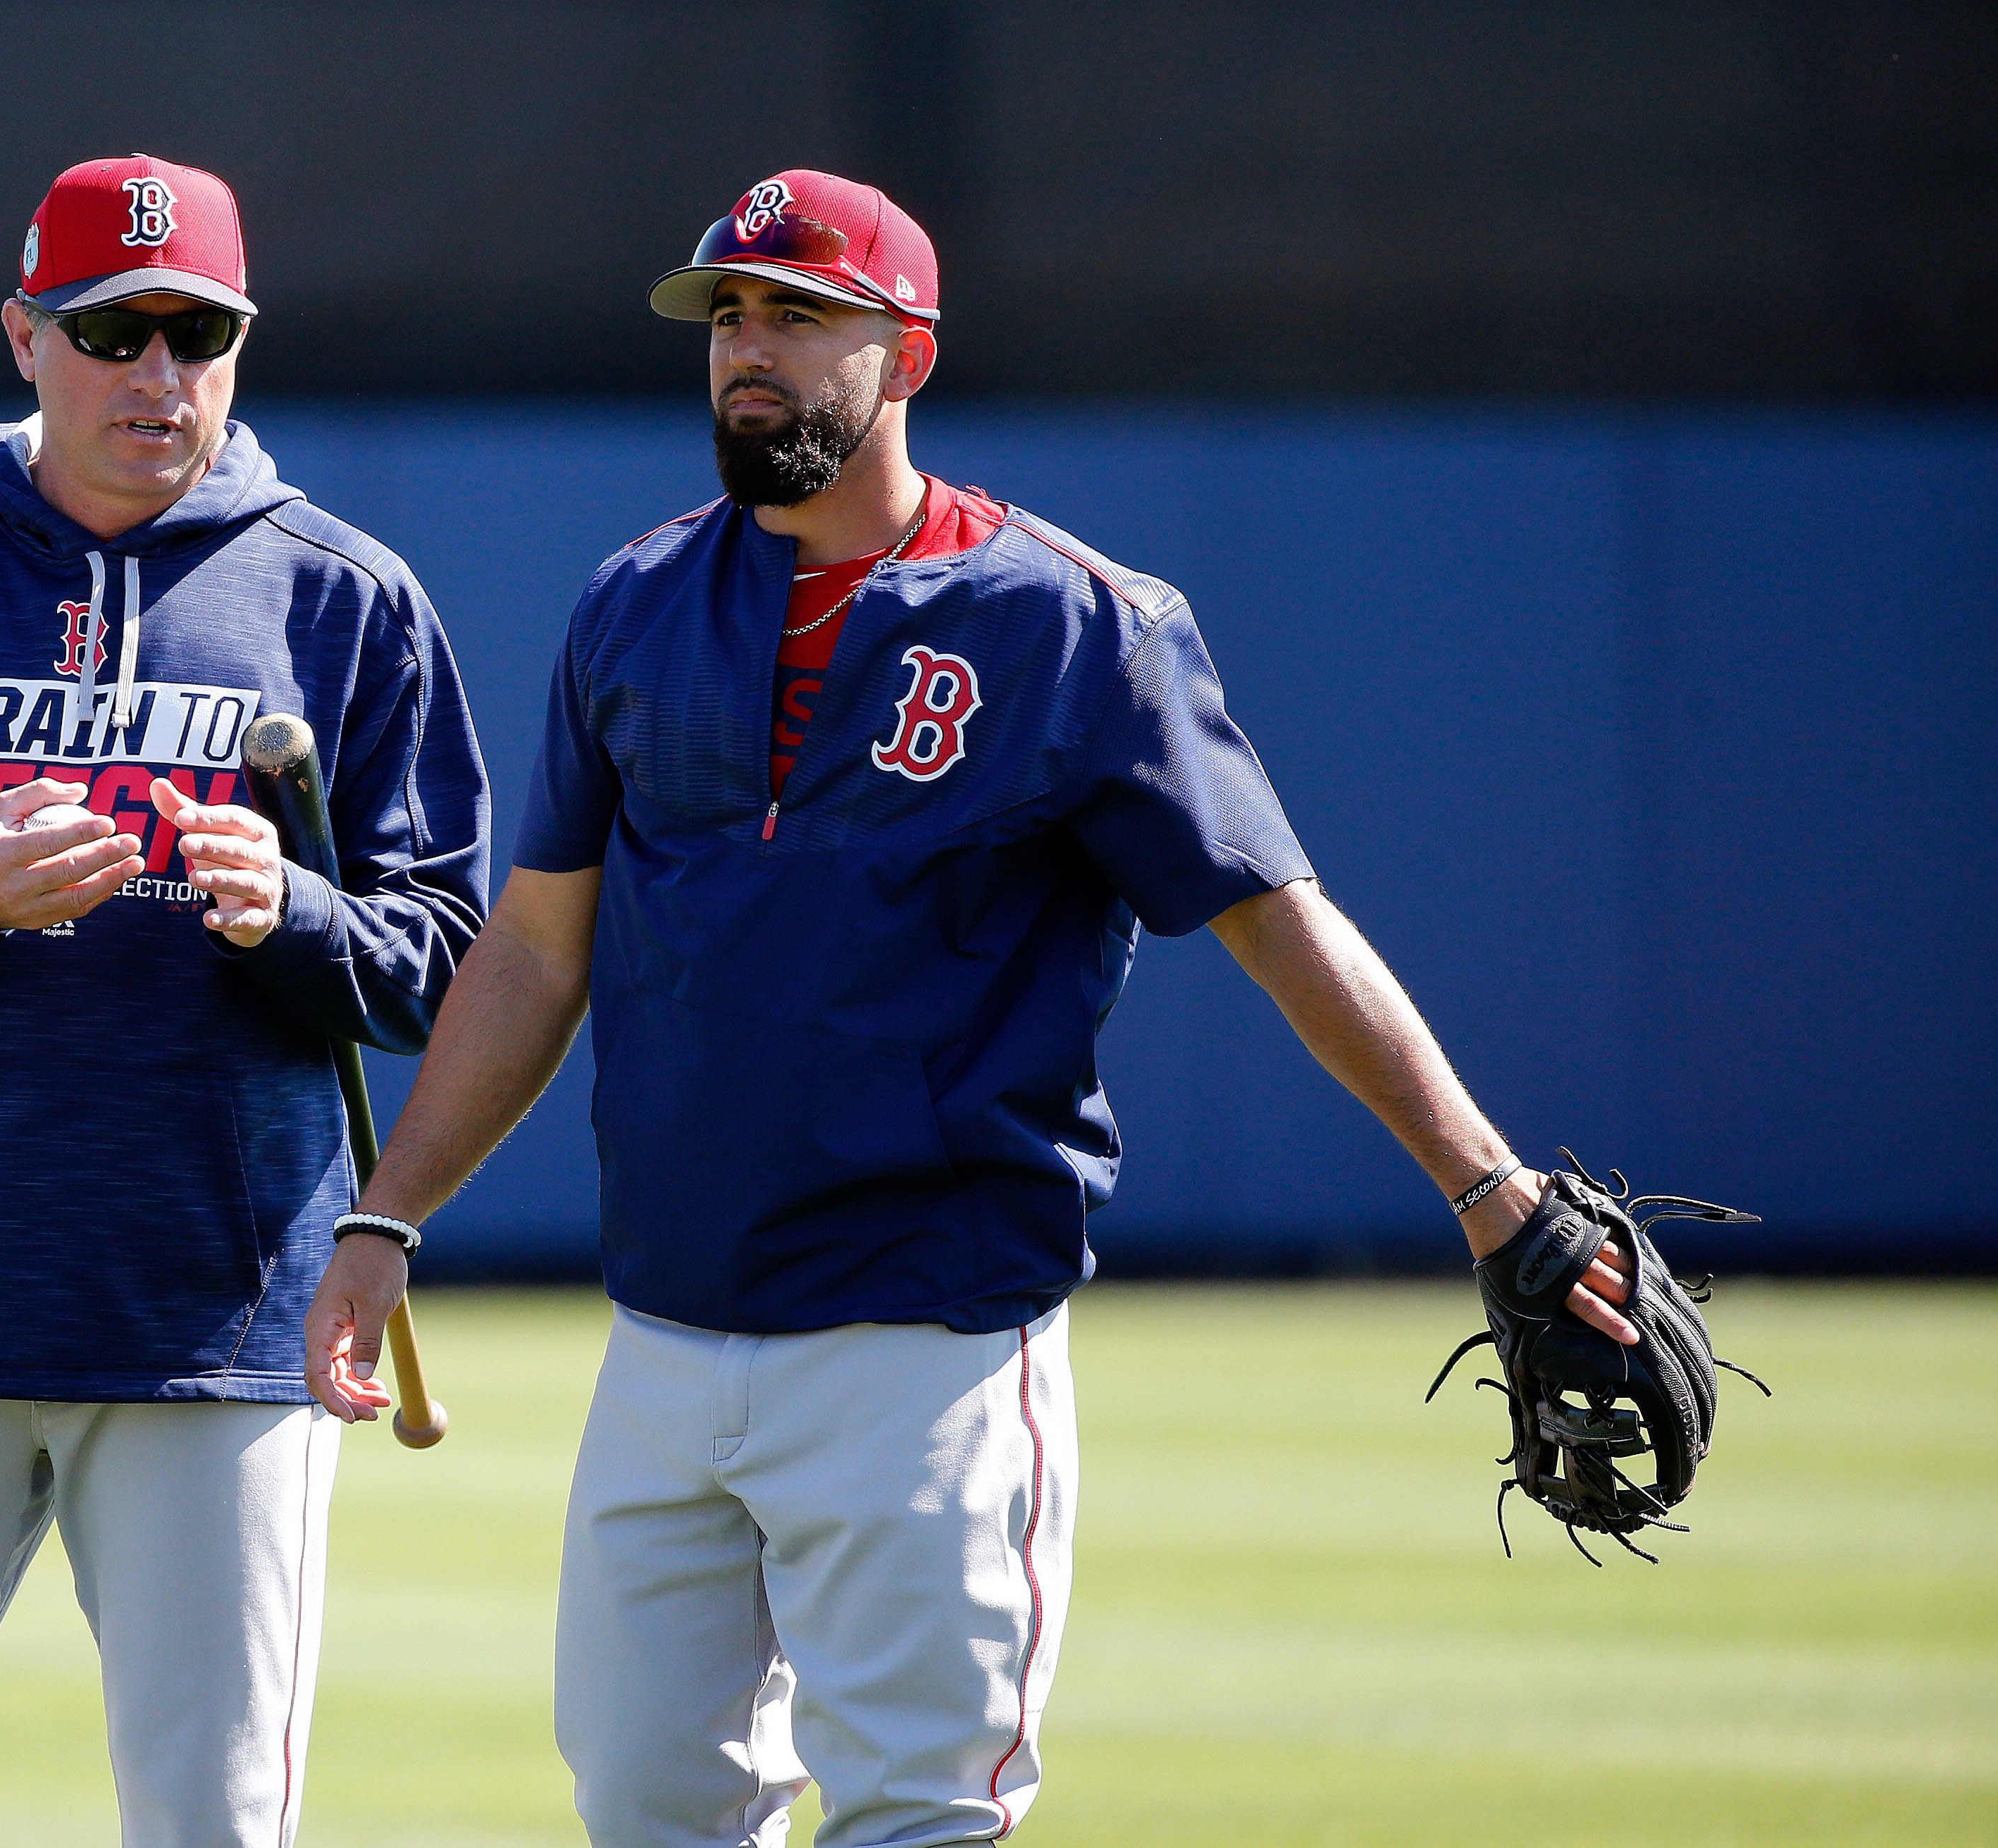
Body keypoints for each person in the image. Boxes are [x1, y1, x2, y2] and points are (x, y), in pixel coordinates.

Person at [302, 169, 1643, 1848]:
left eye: (799, 314)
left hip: (924, 1345)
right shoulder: (635, 601)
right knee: (644, 1808)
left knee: (919, 1819)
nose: (749, 351)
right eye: (727, 315)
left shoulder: (1080, 627)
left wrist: (1487, 1185)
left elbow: (1281, 926)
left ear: (907, 354)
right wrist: (389, 1215)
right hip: (664, 1329)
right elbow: (532, 954)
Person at [0, 154, 488, 1848]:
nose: (157, 375)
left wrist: (297, 918)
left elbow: (449, 961)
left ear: (240, 343)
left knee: (214, 1820)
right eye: (111, 330)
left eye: (196, 335)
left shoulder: (341, 595)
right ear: (25, 338)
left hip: (215, 1322)